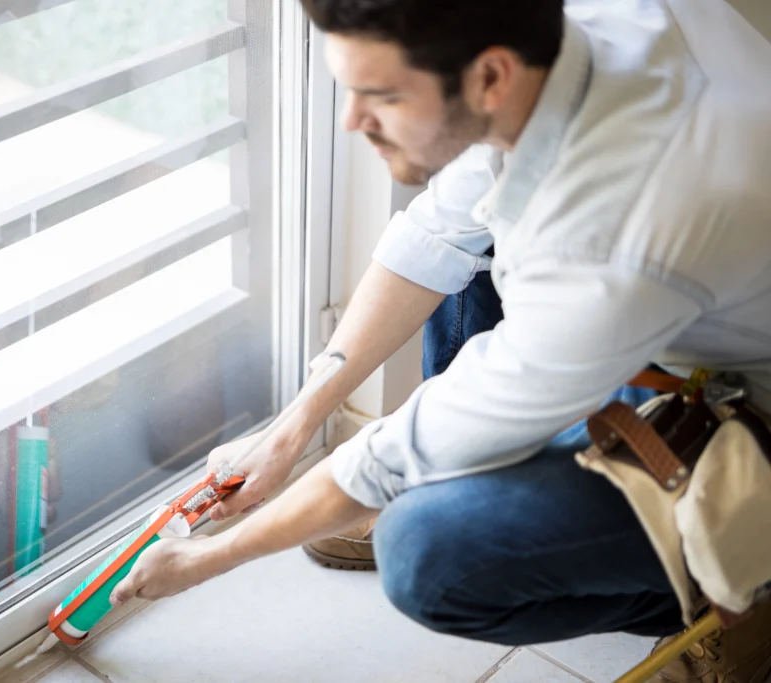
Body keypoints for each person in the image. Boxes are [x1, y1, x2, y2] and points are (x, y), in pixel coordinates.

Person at [111, 0, 771, 680]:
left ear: (490, 77)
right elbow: (437, 233)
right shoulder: (547, 43)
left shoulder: (615, 233)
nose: (351, 121)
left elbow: (386, 460)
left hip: (751, 410)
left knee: (425, 549)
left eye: (383, 97)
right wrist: (290, 428)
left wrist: (204, 560)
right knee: (477, 243)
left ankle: (740, 587)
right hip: (697, 297)